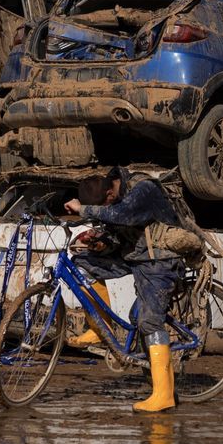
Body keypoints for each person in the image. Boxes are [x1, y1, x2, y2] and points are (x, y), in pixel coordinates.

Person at [64, 167, 184, 413]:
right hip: (135, 255)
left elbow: (122, 214)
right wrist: (99, 241)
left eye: (104, 206)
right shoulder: (115, 197)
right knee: (83, 262)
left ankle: (164, 396)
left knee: (148, 322)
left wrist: (84, 210)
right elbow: (118, 232)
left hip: (159, 260)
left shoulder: (143, 189)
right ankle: (100, 327)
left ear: (110, 192)